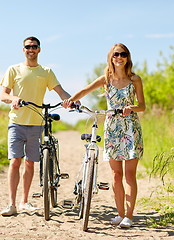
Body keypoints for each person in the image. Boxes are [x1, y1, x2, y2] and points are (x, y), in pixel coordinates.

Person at [63, 43, 145, 228]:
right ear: (111, 57)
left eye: (123, 54)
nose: (120, 57)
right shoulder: (106, 79)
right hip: (112, 128)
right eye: (116, 54)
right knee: (116, 175)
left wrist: (131, 108)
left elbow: (142, 105)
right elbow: (85, 90)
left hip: (131, 128)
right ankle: (120, 214)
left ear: (127, 58)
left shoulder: (135, 79)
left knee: (130, 175)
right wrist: (70, 100)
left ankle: (129, 217)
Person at [0, 36, 72, 216]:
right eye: (27, 47)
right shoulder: (13, 70)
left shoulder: (46, 72)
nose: (30, 49)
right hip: (16, 122)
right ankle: (11, 204)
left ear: (39, 49)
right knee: (15, 161)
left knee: (30, 164)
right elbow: (3, 95)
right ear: (23, 49)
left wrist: (69, 100)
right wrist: (13, 98)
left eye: (34, 46)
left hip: (36, 123)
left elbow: (60, 91)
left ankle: (24, 202)